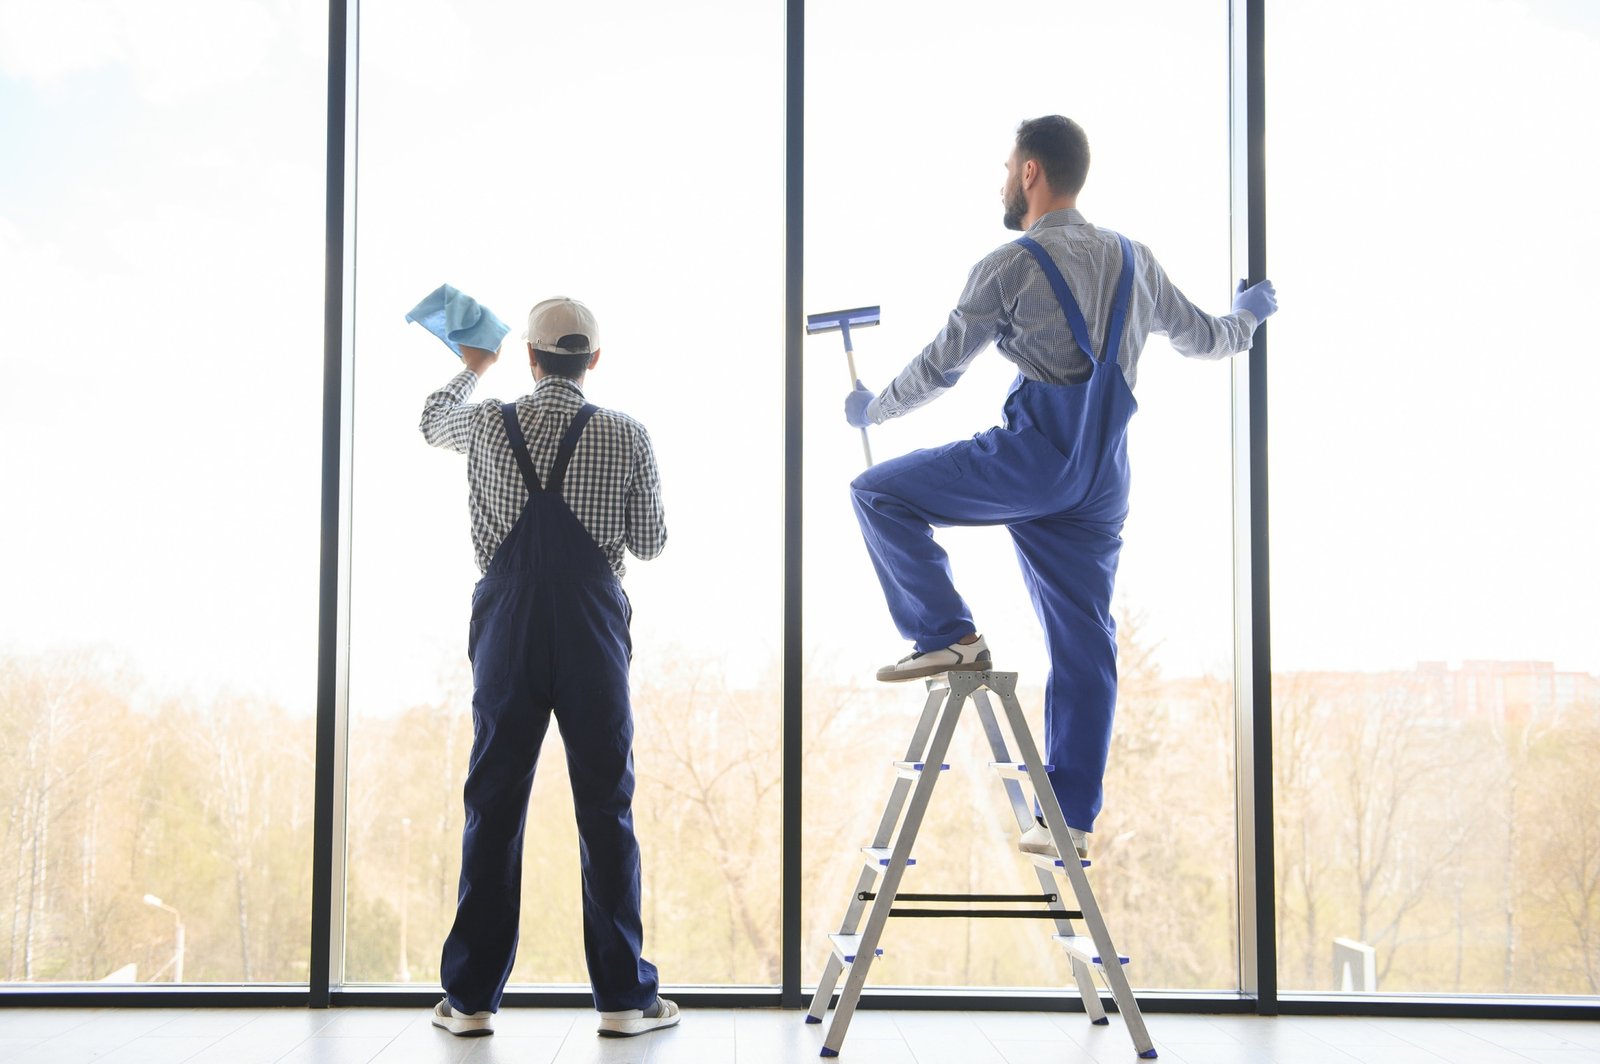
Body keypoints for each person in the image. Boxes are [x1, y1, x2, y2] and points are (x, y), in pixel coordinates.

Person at [843, 116, 1278, 860]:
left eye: (1008, 166)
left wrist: (873, 407)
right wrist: (1249, 314)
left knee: (877, 492)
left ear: (1033, 172)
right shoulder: (1135, 260)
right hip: (1102, 478)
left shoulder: (1009, 265)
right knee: (1085, 639)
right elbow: (1212, 337)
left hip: (1035, 461)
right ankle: (1069, 816)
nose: (1004, 179)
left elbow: (942, 366)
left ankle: (947, 636)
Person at [419, 296, 679, 1040]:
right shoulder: (627, 433)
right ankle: (625, 1002)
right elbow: (652, 542)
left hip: (508, 623)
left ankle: (468, 1002)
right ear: (593, 361)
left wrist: (472, 369)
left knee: (493, 804)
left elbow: (432, 421)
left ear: (531, 358)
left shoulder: (488, 420)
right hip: (592, 624)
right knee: (606, 804)